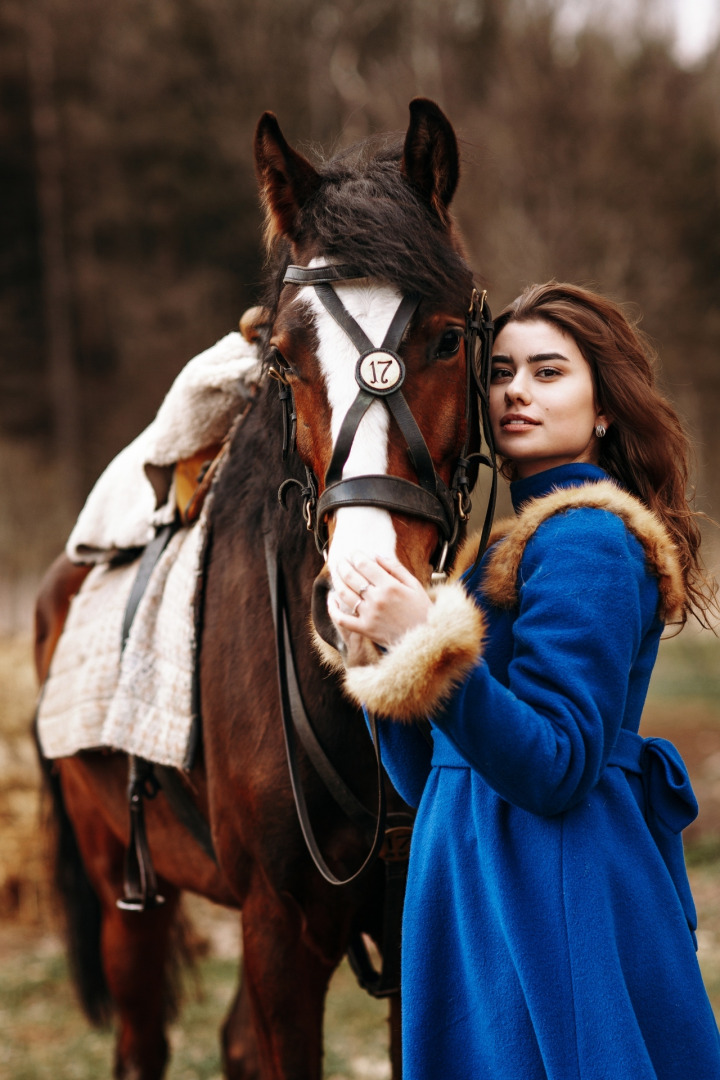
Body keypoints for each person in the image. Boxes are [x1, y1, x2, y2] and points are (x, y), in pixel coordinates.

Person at [327, 282, 720, 1080]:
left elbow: (556, 765)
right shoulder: (494, 556)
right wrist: (379, 655)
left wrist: (424, 639)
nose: (514, 391)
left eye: (548, 373)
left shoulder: (590, 539)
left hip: (552, 886)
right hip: (474, 879)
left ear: (603, 406)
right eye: (500, 372)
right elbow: (425, 776)